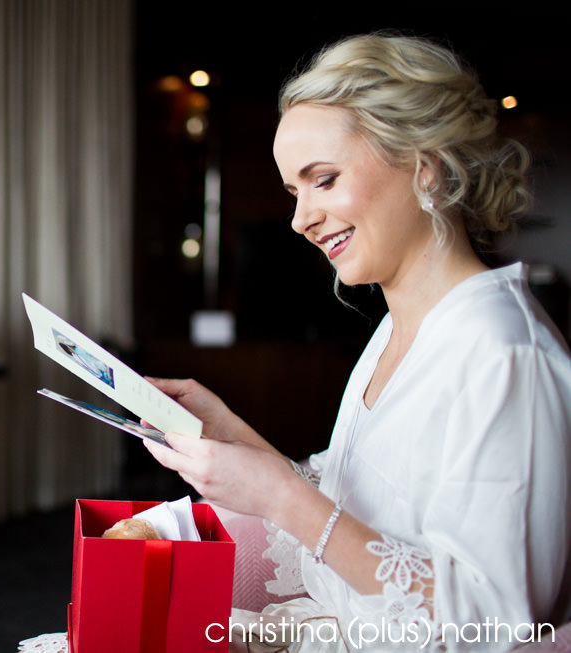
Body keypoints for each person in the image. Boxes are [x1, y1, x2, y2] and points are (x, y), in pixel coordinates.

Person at [143, 32, 571, 652]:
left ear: (425, 166)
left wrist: (281, 495)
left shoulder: (504, 356)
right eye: (295, 193)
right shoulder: (396, 328)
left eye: (323, 180)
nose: (300, 220)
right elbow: (364, 503)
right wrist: (237, 438)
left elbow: (494, 623)